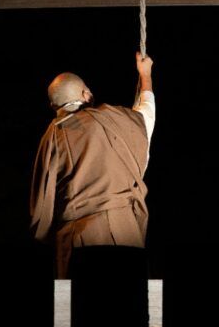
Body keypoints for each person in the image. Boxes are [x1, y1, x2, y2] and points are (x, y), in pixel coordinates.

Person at [30, 52, 155, 277]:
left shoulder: (49, 139)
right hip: (121, 231)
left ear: (53, 105)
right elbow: (145, 119)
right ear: (86, 94)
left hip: (73, 241)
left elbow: (41, 207)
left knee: (81, 309)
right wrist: (145, 76)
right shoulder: (110, 119)